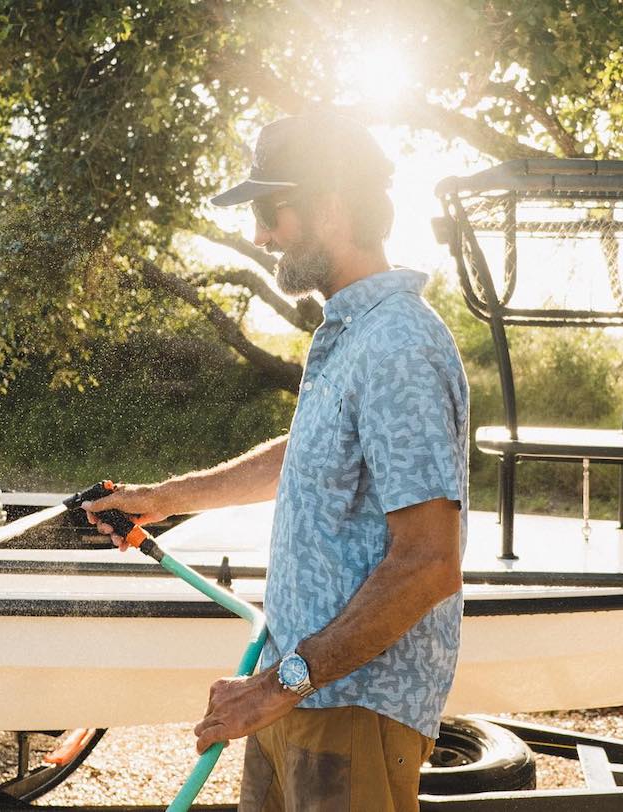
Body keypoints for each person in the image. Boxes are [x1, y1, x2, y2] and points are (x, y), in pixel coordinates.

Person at [84, 111, 469, 811]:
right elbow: (304, 455)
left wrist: (274, 686)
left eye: (270, 212)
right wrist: (161, 500)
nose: (261, 236)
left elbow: (428, 563)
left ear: (330, 208)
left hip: (349, 707)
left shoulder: (400, 345)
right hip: (299, 694)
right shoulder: (351, 332)